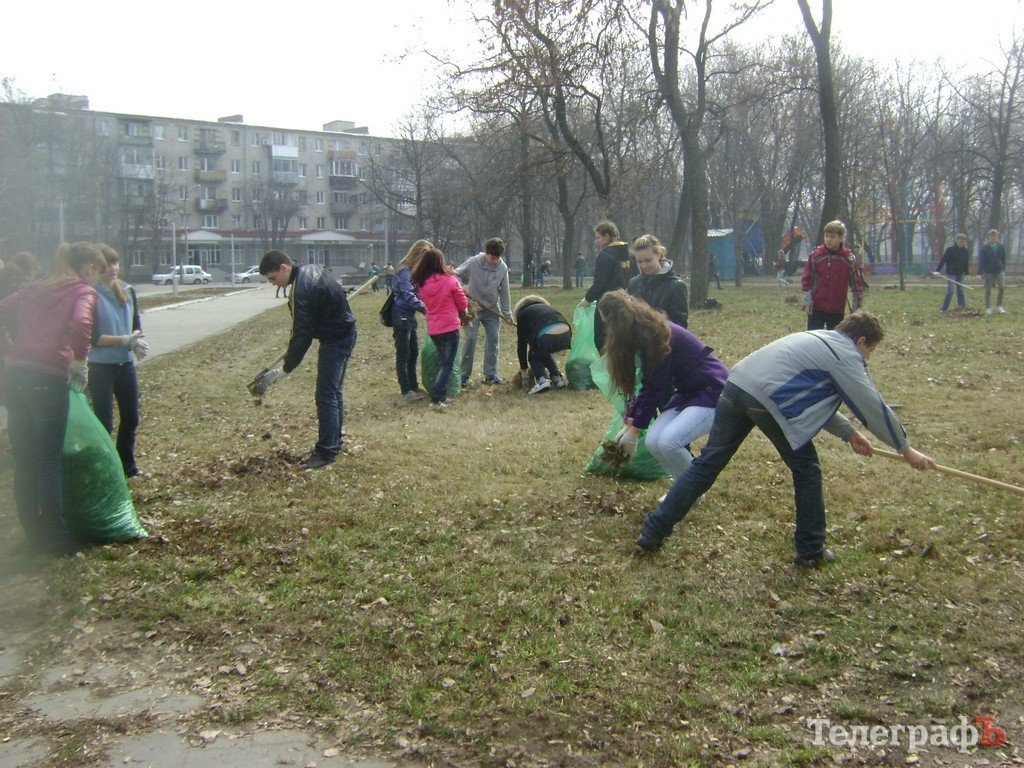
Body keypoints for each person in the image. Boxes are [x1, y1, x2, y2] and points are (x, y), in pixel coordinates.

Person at [634, 311, 936, 568]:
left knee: (705, 465)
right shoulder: (845, 355)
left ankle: (653, 530)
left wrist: (849, 434)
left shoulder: (817, 339)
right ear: (860, 341)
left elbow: (805, 392)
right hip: (767, 400)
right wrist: (906, 450)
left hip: (736, 385)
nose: (867, 357)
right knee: (806, 470)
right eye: (870, 351)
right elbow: (871, 405)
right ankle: (810, 550)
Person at [0, 242, 104, 556]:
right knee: (47, 460)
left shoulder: (32, 289)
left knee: (25, 460)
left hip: (15, 378)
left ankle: (33, 536)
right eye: (97, 274)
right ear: (89, 268)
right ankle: (56, 541)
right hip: (48, 377)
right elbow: (82, 323)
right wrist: (80, 362)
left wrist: (8, 349)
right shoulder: (82, 291)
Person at [600, 290, 727, 482]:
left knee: (669, 443)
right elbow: (648, 385)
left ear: (615, 322)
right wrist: (628, 425)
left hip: (712, 391)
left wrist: (633, 433)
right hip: (688, 392)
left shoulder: (654, 335)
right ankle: (682, 490)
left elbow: (654, 388)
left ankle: (691, 490)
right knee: (653, 442)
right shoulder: (643, 330)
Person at [259, 249, 357, 470]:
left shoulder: (301, 290)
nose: (274, 284)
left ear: (284, 268)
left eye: (273, 278)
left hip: (336, 339)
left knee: (325, 396)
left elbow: (301, 334)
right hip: (345, 332)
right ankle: (334, 442)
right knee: (333, 393)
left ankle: (326, 452)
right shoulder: (312, 269)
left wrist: (286, 368)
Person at [87, 245, 148, 478]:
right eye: (106, 265)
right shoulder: (91, 294)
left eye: (115, 263)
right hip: (100, 367)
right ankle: (105, 470)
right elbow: (93, 338)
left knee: (131, 418)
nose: (112, 268)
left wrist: (136, 340)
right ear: (96, 268)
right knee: (104, 423)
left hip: (125, 365)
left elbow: (136, 323)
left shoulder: (127, 290)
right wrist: (125, 340)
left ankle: (128, 467)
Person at [412, 247, 468, 410]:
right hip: (449, 328)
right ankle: (436, 398)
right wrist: (463, 307)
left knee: (444, 362)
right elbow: (463, 303)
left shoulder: (423, 284)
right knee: (446, 364)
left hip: (434, 329)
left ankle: (441, 395)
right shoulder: (449, 280)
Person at [455, 238, 514, 386]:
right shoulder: (474, 262)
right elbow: (455, 274)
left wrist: (508, 315)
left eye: (497, 258)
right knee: (471, 339)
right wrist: (461, 287)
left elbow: (505, 293)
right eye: (492, 257)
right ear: (486, 253)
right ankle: (464, 376)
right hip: (472, 308)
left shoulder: (503, 268)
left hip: (492, 310)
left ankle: (491, 374)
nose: (494, 261)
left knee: (493, 340)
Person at [801, 220, 866, 330]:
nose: (828, 239)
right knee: (814, 339)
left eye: (832, 236)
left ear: (841, 238)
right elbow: (807, 280)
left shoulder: (848, 259)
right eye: (826, 236)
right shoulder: (816, 256)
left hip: (837, 310)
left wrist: (856, 310)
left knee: (834, 340)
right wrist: (807, 302)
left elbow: (857, 286)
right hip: (816, 307)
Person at [580, 221, 634, 352]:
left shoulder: (605, 256)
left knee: (603, 338)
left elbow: (600, 283)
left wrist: (587, 299)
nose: (596, 241)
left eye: (598, 237)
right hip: (627, 301)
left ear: (607, 236)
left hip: (607, 302)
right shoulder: (628, 255)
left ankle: (607, 368)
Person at [392, 241, 430, 402]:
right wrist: (426, 309)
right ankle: (406, 389)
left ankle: (414, 385)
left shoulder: (414, 272)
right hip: (401, 316)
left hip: (410, 316)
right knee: (403, 353)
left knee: (413, 351)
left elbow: (419, 292)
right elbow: (408, 296)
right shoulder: (403, 271)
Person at [627, 234, 688, 328]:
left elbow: (680, 326)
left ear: (659, 255)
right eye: (639, 262)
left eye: (648, 260)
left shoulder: (676, 286)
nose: (644, 266)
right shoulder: (633, 284)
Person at [514, 295, 571, 394]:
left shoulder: (523, 314)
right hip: (566, 333)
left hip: (547, 335)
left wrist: (524, 370)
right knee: (542, 351)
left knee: (533, 355)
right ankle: (557, 379)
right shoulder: (546, 308)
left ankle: (542, 380)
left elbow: (521, 346)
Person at [936, 234, 970, 312]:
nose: (961, 243)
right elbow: (943, 260)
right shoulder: (950, 250)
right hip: (951, 274)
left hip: (960, 274)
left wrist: (967, 273)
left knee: (960, 291)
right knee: (950, 291)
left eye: (963, 242)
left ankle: (961, 307)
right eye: (960, 241)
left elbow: (966, 263)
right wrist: (938, 270)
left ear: (964, 242)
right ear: (957, 241)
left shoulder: (966, 251)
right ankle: (944, 308)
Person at [979, 228, 1007, 314]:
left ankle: (999, 305)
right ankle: (988, 307)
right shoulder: (985, 248)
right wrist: (982, 272)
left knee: (1002, 287)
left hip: (999, 270)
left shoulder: (1001, 246)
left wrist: (1003, 268)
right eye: (991, 236)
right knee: (988, 290)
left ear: (997, 237)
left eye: (995, 236)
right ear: (989, 237)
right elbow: (982, 260)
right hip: (989, 271)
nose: (993, 238)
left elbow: (1003, 258)